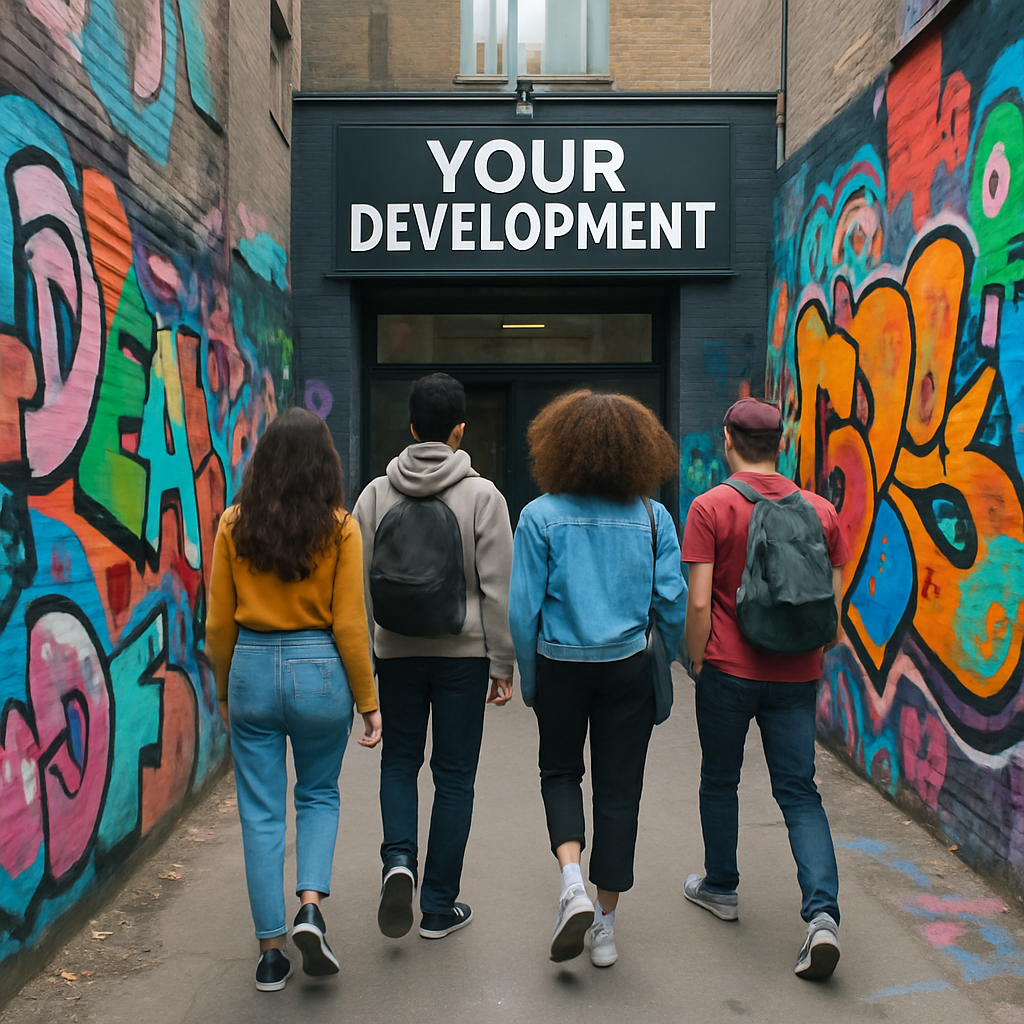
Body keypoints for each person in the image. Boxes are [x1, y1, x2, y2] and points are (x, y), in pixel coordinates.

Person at [206, 407, 381, 993]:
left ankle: (271, 954)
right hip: (319, 670)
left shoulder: (234, 524)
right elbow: (351, 625)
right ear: (324, 463)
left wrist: (223, 687)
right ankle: (310, 906)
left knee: (259, 812)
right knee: (317, 794)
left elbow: (217, 624)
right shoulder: (341, 526)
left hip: (251, 667)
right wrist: (368, 701)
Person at [508, 390, 686, 967]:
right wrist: (672, 655)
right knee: (619, 790)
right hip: (628, 668)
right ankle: (604, 926)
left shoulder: (538, 516)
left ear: (559, 447)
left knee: (559, 771)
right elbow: (672, 602)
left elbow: (522, 611)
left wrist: (530, 680)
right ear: (640, 452)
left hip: (561, 664)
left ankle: (571, 881)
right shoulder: (652, 517)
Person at [680, 396, 848, 980]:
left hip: (728, 669)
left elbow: (699, 600)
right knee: (799, 793)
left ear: (727, 439)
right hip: (797, 675)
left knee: (719, 779)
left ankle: (721, 886)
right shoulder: (823, 512)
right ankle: (822, 917)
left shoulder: (710, 507)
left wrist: (698, 660)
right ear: (783, 443)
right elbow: (833, 606)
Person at [353, 372, 515, 941]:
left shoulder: (375, 493)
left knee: (399, 761)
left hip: (394, 649)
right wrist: (502, 663)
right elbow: (497, 589)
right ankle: (439, 905)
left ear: (413, 426)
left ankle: (398, 861)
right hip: (461, 656)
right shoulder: (483, 496)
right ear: (459, 430)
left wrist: (368, 655)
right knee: (454, 776)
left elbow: (359, 584)